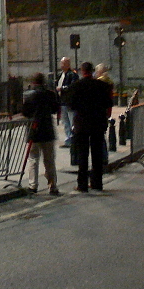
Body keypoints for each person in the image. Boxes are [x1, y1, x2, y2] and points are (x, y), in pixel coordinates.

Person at [65, 61, 114, 192]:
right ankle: (97, 183)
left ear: (82, 71)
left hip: (81, 124)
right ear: (92, 71)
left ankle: (82, 184)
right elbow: (108, 103)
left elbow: (70, 105)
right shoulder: (102, 86)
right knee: (97, 154)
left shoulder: (76, 86)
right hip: (98, 123)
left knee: (82, 154)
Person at [20, 73, 61, 195]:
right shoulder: (50, 94)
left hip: (34, 130)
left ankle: (33, 185)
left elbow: (25, 112)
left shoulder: (29, 95)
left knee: (33, 158)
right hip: (47, 130)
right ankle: (52, 185)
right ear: (43, 82)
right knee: (49, 160)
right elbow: (55, 109)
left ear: (33, 82)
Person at [56, 57, 79, 148]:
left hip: (69, 102)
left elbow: (72, 87)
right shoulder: (60, 75)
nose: (61, 65)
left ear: (68, 64)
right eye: (61, 63)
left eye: (63, 63)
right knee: (65, 122)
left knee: (72, 121)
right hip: (62, 102)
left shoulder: (72, 75)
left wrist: (62, 88)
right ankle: (68, 139)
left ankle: (74, 139)